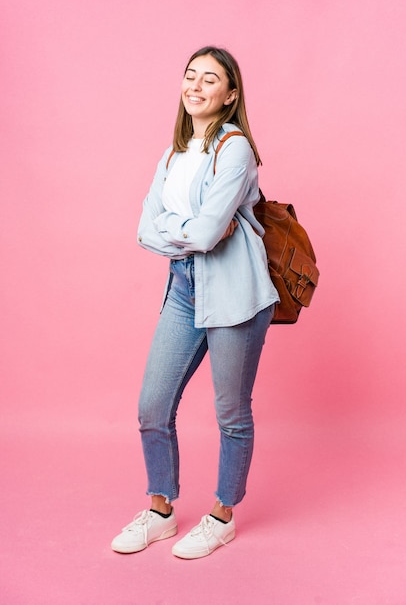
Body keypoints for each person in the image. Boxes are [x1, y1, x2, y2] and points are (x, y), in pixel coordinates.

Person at [111, 46, 279, 560]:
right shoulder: (173, 154)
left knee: (231, 412)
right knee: (152, 407)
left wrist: (179, 229)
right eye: (190, 76)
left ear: (230, 96)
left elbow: (209, 234)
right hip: (183, 289)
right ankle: (160, 512)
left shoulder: (235, 149)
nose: (196, 86)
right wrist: (189, 232)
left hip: (236, 293)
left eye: (211, 79)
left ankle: (222, 514)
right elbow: (146, 230)